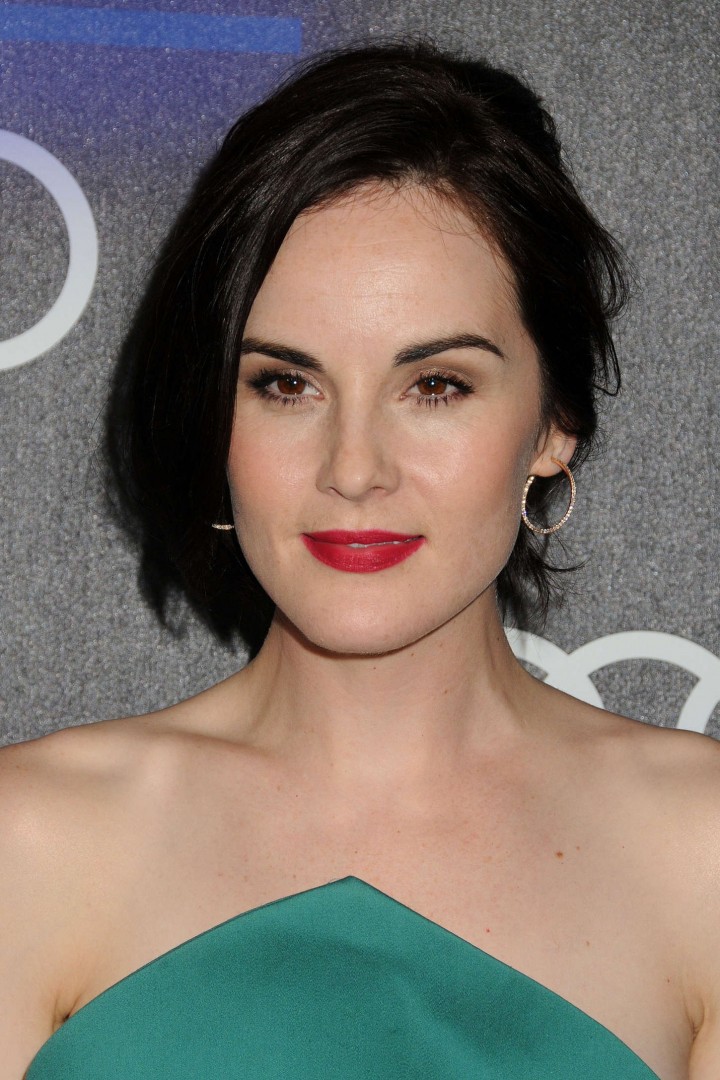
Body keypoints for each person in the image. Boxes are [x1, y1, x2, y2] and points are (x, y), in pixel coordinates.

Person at [1, 39, 718, 1080]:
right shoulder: (29, 843)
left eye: (436, 385)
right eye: (286, 385)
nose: (353, 469)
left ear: (554, 422)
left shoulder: (699, 852)